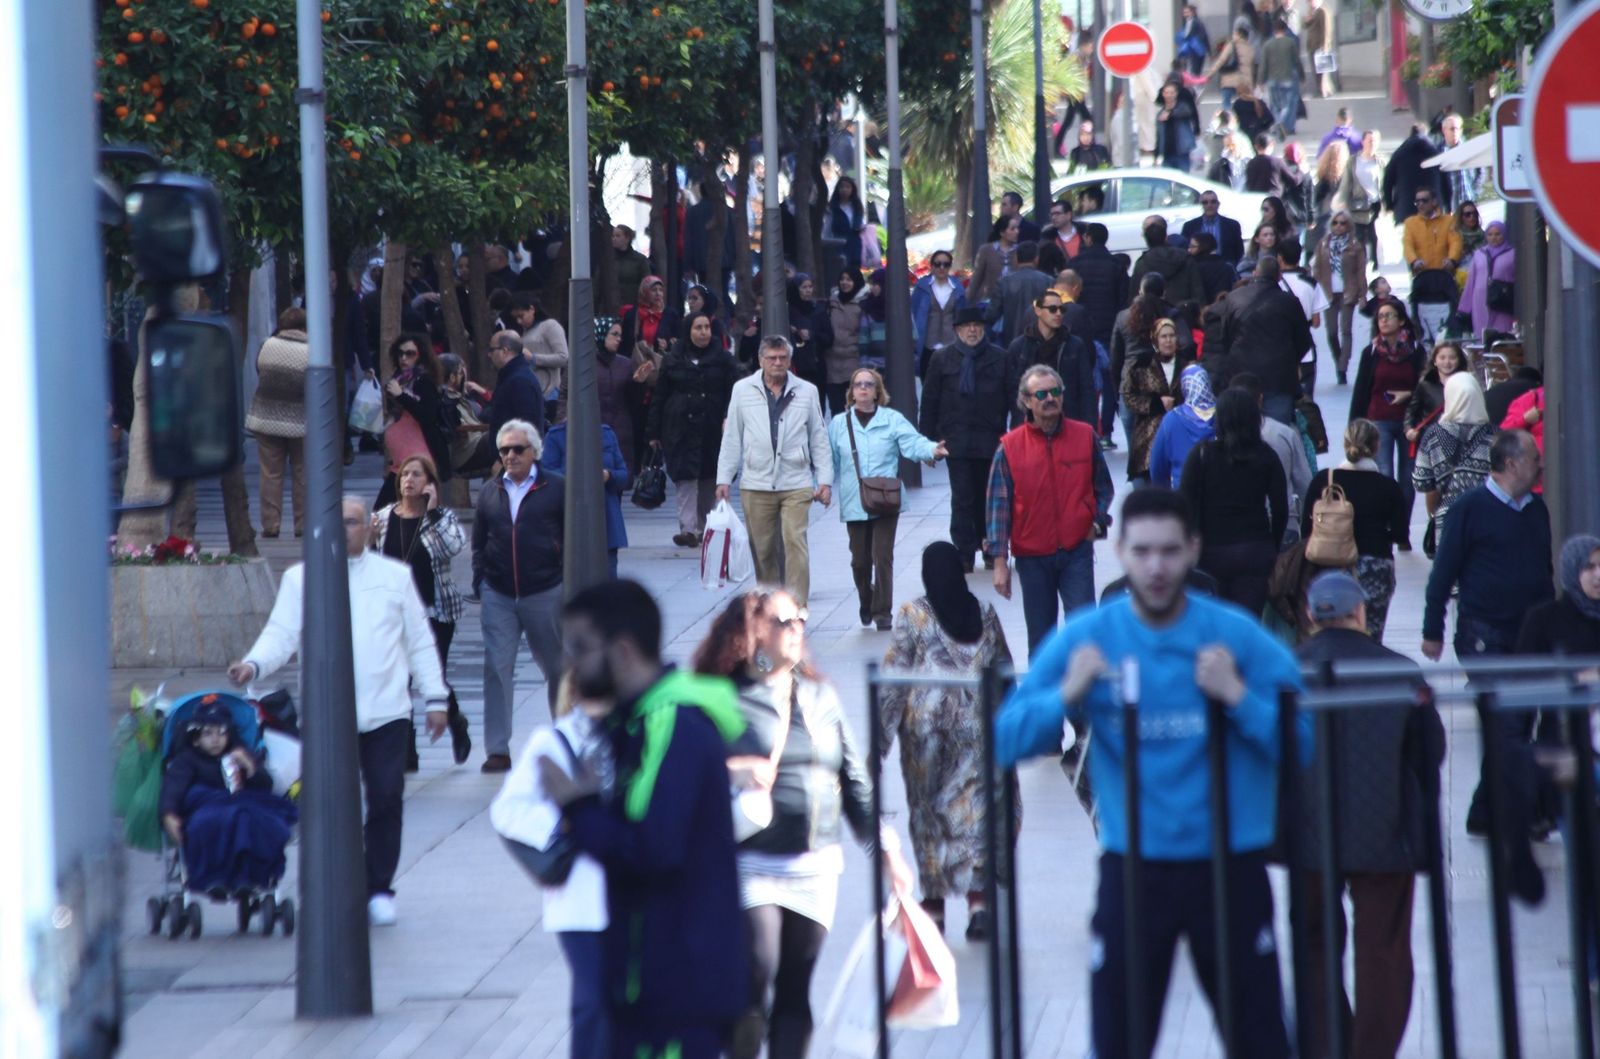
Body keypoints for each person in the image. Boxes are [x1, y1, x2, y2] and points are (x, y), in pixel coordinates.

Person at [994, 486, 1302, 1059]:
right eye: (1142, 551)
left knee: (1261, 1041)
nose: (1156, 566)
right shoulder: (1089, 638)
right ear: (1119, 550)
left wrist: (1239, 697)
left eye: (1168, 551)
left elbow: (1306, 743)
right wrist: (1065, 694)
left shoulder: (1233, 635)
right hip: (1134, 869)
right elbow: (1007, 738)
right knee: (1118, 1041)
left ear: (1193, 549)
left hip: (1229, 868)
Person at [537, 580, 749, 1059]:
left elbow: (654, 849)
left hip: (676, 994)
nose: (571, 665)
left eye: (581, 649)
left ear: (624, 651)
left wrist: (579, 808)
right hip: (649, 988)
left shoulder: (671, 726)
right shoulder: (634, 724)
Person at [692, 590, 903, 1056]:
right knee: (755, 968)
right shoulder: (722, 698)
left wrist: (885, 852)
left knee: (794, 989)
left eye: (800, 619)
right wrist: (733, 770)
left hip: (816, 866)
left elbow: (855, 781)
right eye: (784, 621)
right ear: (753, 632)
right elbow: (684, 770)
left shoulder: (819, 695)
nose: (796, 628)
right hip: (749, 865)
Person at [230, 496, 449, 926]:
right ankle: (333, 883)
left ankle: (379, 887)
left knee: (386, 798)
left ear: (369, 527)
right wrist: (253, 664)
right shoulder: (302, 579)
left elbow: (419, 641)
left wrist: (436, 699)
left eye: (353, 522)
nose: (344, 530)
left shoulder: (395, 576)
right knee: (328, 804)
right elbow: (281, 635)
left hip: (387, 713)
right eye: (338, 523)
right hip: (329, 714)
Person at [1291, 571, 1444, 1059]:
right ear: (1361, 613)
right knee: (1383, 951)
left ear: (1311, 615)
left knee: (1314, 944)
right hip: (1385, 832)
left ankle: (1327, 1045)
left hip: (1309, 832)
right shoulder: (1398, 671)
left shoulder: (1287, 671)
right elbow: (1430, 751)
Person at [1423, 431, 1553, 844]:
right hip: (1485, 633)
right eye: (1534, 457)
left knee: (1519, 721)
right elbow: (1443, 571)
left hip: (1529, 633)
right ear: (1511, 464)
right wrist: (1432, 628)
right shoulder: (1470, 509)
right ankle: (1526, 811)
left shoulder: (1537, 511)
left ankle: (1484, 809)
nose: (1541, 463)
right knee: (1506, 723)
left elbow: (1544, 570)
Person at [880, 542, 1013, 933]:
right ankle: (978, 906)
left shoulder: (912, 616)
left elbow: (893, 683)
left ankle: (934, 909)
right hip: (978, 732)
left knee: (929, 818)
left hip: (926, 739)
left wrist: (878, 743)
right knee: (974, 819)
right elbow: (1003, 670)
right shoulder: (984, 613)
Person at [490, 674, 615, 1059]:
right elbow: (506, 810)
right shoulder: (555, 741)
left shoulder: (643, 734)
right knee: (595, 1003)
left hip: (636, 893)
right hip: (579, 900)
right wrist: (563, 822)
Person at [986, 365, 1114, 655]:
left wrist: (1097, 523)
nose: (1049, 399)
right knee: (1042, 640)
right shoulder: (1009, 447)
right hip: (1032, 557)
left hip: (1076, 550)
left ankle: (1084, 697)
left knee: (1084, 634)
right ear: (1027, 401)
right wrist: (999, 563)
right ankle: (1045, 698)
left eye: (1055, 392)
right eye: (1041, 394)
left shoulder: (1085, 436)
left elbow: (1103, 487)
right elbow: (998, 506)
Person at [473, 419, 566, 773]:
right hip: (498, 592)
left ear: (534, 453)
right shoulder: (489, 491)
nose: (510, 456)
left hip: (545, 589)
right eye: (504, 450)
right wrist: (482, 578)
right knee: (497, 668)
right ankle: (497, 748)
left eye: (518, 449)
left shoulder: (555, 487)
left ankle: (565, 736)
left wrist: (566, 580)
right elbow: (479, 540)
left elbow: (572, 535)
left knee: (558, 668)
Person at [716, 336, 833, 607]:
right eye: (772, 358)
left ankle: (796, 607)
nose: (777, 363)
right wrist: (724, 477)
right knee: (763, 550)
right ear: (761, 361)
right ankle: (771, 606)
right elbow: (732, 436)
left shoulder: (807, 391)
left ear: (790, 360)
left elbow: (819, 437)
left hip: (796, 480)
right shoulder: (742, 390)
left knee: (795, 542)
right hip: (756, 481)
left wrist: (825, 480)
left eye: (782, 358)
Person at [371, 455, 472, 766]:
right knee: (400, 679)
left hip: (435, 610)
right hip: (396, 612)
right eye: (405, 475)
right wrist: (369, 540)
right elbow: (371, 559)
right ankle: (407, 749)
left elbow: (453, 549)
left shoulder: (442, 518)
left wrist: (432, 514)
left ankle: (455, 719)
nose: (408, 480)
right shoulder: (385, 517)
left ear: (429, 484)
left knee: (432, 674)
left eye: (416, 475)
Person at [828, 367, 945, 629]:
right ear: (851, 391)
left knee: (882, 556)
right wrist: (822, 485)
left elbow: (912, 442)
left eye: (869, 384)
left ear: (877, 390)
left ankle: (882, 611)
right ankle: (866, 599)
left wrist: (931, 450)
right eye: (858, 384)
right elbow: (829, 460)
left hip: (886, 499)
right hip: (854, 498)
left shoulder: (892, 419)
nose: (863, 388)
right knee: (859, 561)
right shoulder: (839, 424)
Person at [158, 699, 299, 895]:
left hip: (242, 803)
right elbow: (174, 787)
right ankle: (215, 877)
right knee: (211, 823)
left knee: (258, 821)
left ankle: (251, 876)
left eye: (221, 733)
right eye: (208, 733)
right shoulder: (188, 760)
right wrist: (169, 813)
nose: (216, 739)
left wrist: (249, 767)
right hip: (206, 806)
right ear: (196, 738)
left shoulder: (239, 754)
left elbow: (264, 786)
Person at [1180, 387, 1288, 614]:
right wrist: (1272, 546)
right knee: (1248, 624)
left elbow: (1184, 508)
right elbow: (1280, 509)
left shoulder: (1201, 455)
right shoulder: (1266, 456)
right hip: (1254, 550)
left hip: (1210, 551)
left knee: (1213, 623)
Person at [1300, 421, 1409, 639]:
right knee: (1371, 636)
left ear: (1345, 444)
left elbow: (1306, 528)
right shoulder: (1388, 487)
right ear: (1376, 446)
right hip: (1374, 565)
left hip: (1329, 564)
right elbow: (1400, 535)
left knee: (1328, 635)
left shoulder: (1324, 480)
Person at [922, 308, 1011, 573]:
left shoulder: (1000, 358)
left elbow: (1012, 398)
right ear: (957, 330)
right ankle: (963, 553)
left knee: (989, 497)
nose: (972, 330)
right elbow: (930, 401)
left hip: (990, 440)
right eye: (967, 326)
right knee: (962, 498)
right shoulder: (942, 359)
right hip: (956, 441)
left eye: (977, 325)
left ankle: (990, 548)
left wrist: (1015, 437)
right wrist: (926, 445)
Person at [648, 311, 740, 548]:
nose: (703, 332)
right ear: (688, 331)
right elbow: (660, 396)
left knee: (709, 477)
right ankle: (688, 529)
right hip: (679, 428)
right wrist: (654, 432)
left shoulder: (722, 359)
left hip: (712, 426)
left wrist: (731, 419)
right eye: (698, 328)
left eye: (706, 327)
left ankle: (707, 527)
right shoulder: (673, 359)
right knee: (685, 477)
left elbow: (735, 393)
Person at [1347, 303, 1423, 542]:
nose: (1384, 320)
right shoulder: (1371, 353)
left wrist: (1408, 394)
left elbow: (1426, 388)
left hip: (1409, 424)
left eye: (1389, 315)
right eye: (1380, 316)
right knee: (1385, 475)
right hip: (1379, 420)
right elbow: (1361, 390)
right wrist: (1354, 426)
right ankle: (1388, 526)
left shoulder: (1416, 351)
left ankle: (1402, 529)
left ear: (1401, 321)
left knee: (1408, 479)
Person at [1217, 256, 1313, 424]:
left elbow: (1225, 337)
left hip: (1241, 374)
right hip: (1279, 378)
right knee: (1278, 431)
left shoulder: (1234, 298)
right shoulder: (1289, 301)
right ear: (1279, 276)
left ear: (1255, 273)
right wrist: (1289, 359)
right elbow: (1304, 340)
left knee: (1243, 428)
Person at [245, 307, 310, 539]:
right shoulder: (311, 351)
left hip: (266, 418)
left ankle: (271, 524)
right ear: (304, 327)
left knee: (270, 473)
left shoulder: (266, 345)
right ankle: (302, 524)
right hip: (300, 421)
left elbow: (259, 370)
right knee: (303, 473)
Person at [1412, 372, 1495, 546]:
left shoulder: (1434, 435)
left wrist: (1433, 514)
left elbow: (1423, 482)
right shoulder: (1494, 435)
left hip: (1448, 518)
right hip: (1489, 517)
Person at [1231, 372, 1314, 541]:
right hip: (1286, 525)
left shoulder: (1218, 441)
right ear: (1260, 399)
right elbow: (1305, 485)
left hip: (1237, 528)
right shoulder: (1285, 433)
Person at [543, 419, 630, 578]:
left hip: (606, 521)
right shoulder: (556, 436)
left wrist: (608, 475)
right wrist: (580, 470)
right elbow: (548, 477)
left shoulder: (607, 433)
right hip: (571, 523)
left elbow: (623, 475)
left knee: (607, 581)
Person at [376, 333, 452, 510]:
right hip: (401, 461)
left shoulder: (423, 380)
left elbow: (427, 416)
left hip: (418, 458)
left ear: (420, 356)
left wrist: (401, 396)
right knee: (388, 512)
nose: (404, 358)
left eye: (410, 354)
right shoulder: (401, 379)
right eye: (400, 353)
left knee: (385, 512)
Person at [1006, 288, 1097, 428]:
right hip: (1030, 424)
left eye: (1062, 309)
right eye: (1053, 309)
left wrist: (1090, 427)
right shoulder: (1019, 346)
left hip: (1068, 421)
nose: (1059, 313)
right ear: (1038, 311)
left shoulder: (1075, 345)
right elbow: (1012, 390)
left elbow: (1087, 389)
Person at [460, 331, 547, 474]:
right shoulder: (511, 377)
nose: (489, 355)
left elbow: (527, 427)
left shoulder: (520, 381)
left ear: (505, 351)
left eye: (492, 350)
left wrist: (503, 461)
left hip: (516, 465)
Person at [1123, 317, 1197, 482]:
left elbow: (1198, 396)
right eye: (1164, 336)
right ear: (1155, 340)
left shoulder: (1188, 365)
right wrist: (1155, 404)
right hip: (1149, 432)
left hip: (1181, 429)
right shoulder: (1141, 365)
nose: (1168, 340)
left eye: (1172, 336)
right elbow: (1128, 396)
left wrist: (1178, 404)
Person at [1313, 209, 1368, 385]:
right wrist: (1315, 293)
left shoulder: (1355, 245)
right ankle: (1339, 362)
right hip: (1328, 293)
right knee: (1331, 333)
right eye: (1336, 222)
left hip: (1348, 292)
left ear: (1349, 225)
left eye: (1343, 223)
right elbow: (1317, 269)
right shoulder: (1323, 244)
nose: (1338, 226)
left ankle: (1342, 368)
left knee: (1346, 331)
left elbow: (1361, 271)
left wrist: (1362, 295)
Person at [1149, 364, 1217, 489]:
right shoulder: (1224, 413)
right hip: (1219, 491)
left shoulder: (1173, 418)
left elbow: (1157, 465)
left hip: (1183, 491)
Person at [1071, 223, 1130, 354]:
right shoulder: (1116, 264)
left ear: (1088, 238)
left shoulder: (1075, 264)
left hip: (1082, 322)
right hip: (1109, 324)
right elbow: (1123, 298)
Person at [985, 239, 1053, 348]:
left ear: (1016, 258)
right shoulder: (1048, 281)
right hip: (1042, 339)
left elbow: (992, 314)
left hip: (1011, 339)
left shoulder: (1004, 282)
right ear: (1036, 258)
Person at [1403, 339, 1467, 453]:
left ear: (1459, 361)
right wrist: (1409, 430)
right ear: (1435, 361)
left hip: (1459, 440)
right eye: (1442, 358)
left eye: (1452, 358)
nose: (1447, 362)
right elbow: (1412, 411)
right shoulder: (1426, 385)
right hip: (1431, 441)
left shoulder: (1467, 384)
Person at [511, 292, 568, 415]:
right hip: (531, 393)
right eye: (516, 318)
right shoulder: (525, 332)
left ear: (532, 309)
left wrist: (534, 358)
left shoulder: (550, 326)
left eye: (521, 315)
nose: (519, 321)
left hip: (550, 394)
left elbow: (563, 357)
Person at [911, 249, 966, 374]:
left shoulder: (958, 289)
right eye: (938, 264)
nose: (942, 268)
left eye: (946, 264)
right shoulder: (922, 287)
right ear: (932, 266)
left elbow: (962, 317)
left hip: (952, 345)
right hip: (927, 345)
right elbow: (914, 313)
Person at [823, 268, 868, 416]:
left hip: (854, 361)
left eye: (849, 279)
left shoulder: (863, 304)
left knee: (857, 409)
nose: (845, 283)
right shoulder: (831, 303)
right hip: (832, 362)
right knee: (836, 411)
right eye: (842, 279)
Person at [1131, 216, 1202, 306]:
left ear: (1146, 239)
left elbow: (1134, 295)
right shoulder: (1185, 257)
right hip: (1184, 311)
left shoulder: (1142, 263)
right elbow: (1197, 289)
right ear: (1166, 237)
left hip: (1152, 313)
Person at [1461, 220, 1516, 337]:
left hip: (1502, 300)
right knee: (1481, 333)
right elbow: (1471, 281)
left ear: (1504, 234)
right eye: (1490, 234)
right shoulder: (1479, 254)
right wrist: (1464, 309)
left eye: (1497, 234)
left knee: (1502, 332)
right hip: (1480, 300)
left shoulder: (1512, 254)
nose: (1493, 238)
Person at [1381, 125, 1442, 226]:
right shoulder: (1434, 152)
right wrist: (1447, 204)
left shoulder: (1399, 153)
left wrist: (1389, 205)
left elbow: (1387, 181)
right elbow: (1446, 181)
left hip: (1405, 209)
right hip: (1432, 208)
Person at [1402, 188, 1462, 276]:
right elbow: (1407, 245)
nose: (1420, 204)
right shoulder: (1410, 223)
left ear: (1434, 202)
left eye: (1424, 200)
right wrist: (1414, 261)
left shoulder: (1448, 220)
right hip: (1421, 273)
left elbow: (1455, 242)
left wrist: (1451, 259)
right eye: (1417, 201)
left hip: (1444, 272)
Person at [968, 215, 1022, 308]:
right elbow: (977, 276)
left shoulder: (1020, 250)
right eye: (1012, 229)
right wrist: (970, 299)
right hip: (991, 301)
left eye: (1017, 228)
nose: (1017, 232)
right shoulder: (986, 250)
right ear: (1002, 232)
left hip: (1015, 301)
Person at [1182, 190, 1246, 267]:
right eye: (1205, 202)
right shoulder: (1189, 226)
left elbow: (1239, 251)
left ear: (1218, 204)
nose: (1209, 205)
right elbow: (1185, 251)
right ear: (1201, 205)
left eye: (1213, 202)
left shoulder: (1232, 225)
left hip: (1225, 269)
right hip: (1198, 268)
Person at [1259, 19, 1302, 135]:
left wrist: (1261, 81)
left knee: (1275, 105)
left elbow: (1263, 64)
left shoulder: (1267, 44)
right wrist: (1302, 76)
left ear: (1274, 30)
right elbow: (1297, 61)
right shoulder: (1290, 43)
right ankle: (1287, 126)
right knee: (1289, 105)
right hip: (1287, 78)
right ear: (1285, 30)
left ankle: (1278, 124)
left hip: (1272, 80)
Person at [620, 274, 677, 358]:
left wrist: (667, 344)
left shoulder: (671, 314)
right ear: (645, 292)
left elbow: (679, 341)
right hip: (637, 364)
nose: (658, 294)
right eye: (654, 290)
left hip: (662, 364)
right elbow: (625, 344)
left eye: (661, 290)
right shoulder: (632, 314)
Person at [1437, 114, 1483, 213]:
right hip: (1451, 206)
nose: (1455, 132)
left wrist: (1476, 191)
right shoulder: (1438, 153)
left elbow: (1480, 171)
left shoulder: (1469, 148)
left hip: (1469, 201)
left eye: (1457, 129)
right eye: (1452, 129)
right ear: (1444, 130)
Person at [1205, 25, 1256, 110]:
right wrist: (1251, 86)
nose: (1233, 35)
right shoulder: (1250, 49)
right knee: (1244, 107)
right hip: (1244, 83)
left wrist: (1209, 74)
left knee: (1226, 103)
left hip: (1229, 80)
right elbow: (1252, 69)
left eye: (1234, 33)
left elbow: (1221, 60)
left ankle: (1229, 119)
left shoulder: (1232, 45)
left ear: (1238, 34)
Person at [826, 175, 868, 272]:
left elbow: (861, 223)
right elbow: (827, 228)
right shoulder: (832, 208)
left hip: (855, 244)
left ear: (852, 189)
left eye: (848, 187)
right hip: (839, 244)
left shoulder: (856, 206)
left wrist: (861, 228)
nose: (844, 190)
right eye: (842, 187)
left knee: (854, 270)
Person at [1156, 82, 1198, 172]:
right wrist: (1156, 154)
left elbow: (1186, 113)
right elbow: (1159, 135)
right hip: (1167, 154)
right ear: (1163, 94)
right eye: (1167, 93)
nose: (1169, 95)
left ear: (1176, 94)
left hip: (1181, 152)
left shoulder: (1183, 107)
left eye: (1171, 93)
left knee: (1184, 180)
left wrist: (1170, 115)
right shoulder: (1160, 113)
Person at [1188, 234, 1240, 306]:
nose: (1189, 250)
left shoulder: (1192, 267)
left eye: (1192, 246)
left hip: (1199, 308)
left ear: (1203, 247)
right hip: (1223, 306)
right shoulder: (1227, 266)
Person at [1303, 0, 1337, 97]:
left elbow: (1326, 30)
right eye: (1308, 2)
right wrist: (1307, 20)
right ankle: (1321, 90)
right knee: (1315, 70)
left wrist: (1325, 47)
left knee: (1323, 71)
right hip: (1311, 46)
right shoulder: (1311, 12)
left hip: (1320, 46)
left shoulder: (1322, 11)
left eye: (1311, 1)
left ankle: (1324, 90)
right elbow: (1305, 26)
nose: (1310, 3)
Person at [1175, 3, 1211, 77]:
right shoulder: (1195, 22)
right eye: (1184, 12)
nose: (1185, 14)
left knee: (1195, 71)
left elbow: (1188, 36)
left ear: (1192, 12)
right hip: (1197, 50)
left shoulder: (1192, 22)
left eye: (1187, 12)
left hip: (1195, 50)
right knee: (1196, 70)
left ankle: (1195, 86)